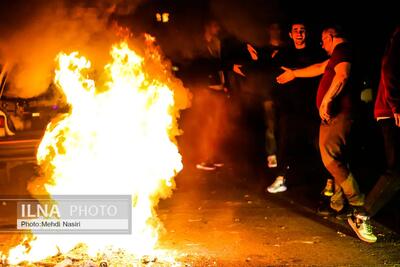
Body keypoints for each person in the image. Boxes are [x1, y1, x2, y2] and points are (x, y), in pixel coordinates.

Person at [276, 25, 376, 243]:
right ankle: (337, 205)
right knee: (338, 158)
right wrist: (294, 73)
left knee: (330, 157)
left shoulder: (343, 51)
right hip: (339, 115)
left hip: (339, 114)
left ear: (331, 37)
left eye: (323, 40)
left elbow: (342, 76)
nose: (322, 45)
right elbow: (320, 67)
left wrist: (327, 100)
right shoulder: (337, 55)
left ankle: (359, 210)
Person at [266, 21, 326, 193]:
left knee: (319, 146)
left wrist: (296, 72)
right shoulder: (284, 54)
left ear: (306, 33)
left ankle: (329, 183)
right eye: (295, 31)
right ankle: (280, 178)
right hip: (290, 108)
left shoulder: (316, 53)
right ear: (290, 35)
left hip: (312, 108)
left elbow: (320, 70)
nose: (299, 33)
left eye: (302, 30)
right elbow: (273, 72)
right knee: (285, 143)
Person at [363, 26, 400, 221]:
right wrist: (396, 105)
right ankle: (362, 214)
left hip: (391, 111)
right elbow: (388, 67)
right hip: (391, 113)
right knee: (396, 170)